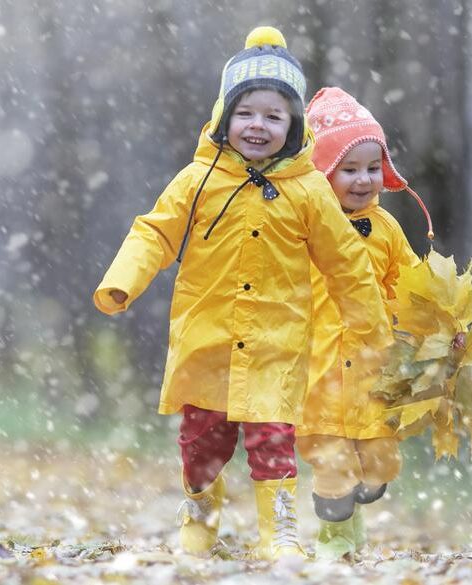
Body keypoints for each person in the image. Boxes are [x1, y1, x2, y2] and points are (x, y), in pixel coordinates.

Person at [93, 29, 392, 560]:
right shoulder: (199, 178)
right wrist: (123, 280)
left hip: (277, 341)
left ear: (293, 126)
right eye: (247, 113)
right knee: (202, 441)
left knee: (272, 439)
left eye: (274, 116)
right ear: (224, 117)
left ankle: (278, 534)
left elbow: (344, 260)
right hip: (207, 336)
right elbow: (155, 231)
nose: (258, 125)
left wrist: (369, 326)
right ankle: (200, 513)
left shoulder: (308, 191)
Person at [296, 86, 463, 561]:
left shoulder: (387, 229)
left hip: (375, 366)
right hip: (321, 366)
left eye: (373, 167)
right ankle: (337, 540)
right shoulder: (304, 227)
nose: (364, 179)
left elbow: (411, 283)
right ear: (322, 172)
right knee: (331, 460)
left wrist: (435, 321)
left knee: (380, 459)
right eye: (349, 169)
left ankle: (364, 498)